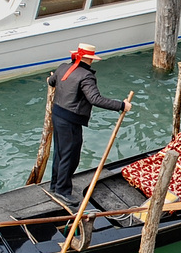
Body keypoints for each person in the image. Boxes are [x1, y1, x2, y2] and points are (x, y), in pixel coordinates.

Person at [48, 43, 132, 206]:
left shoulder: (62, 67)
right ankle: (62, 191)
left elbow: (51, 81)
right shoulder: (86, 76)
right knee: (70, 156)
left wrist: (53, 79)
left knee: (60, 152)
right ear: (89, 58)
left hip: (57, 115)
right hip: (71, 120)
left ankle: (55, 185)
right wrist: (122, 106)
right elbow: (95, 99)